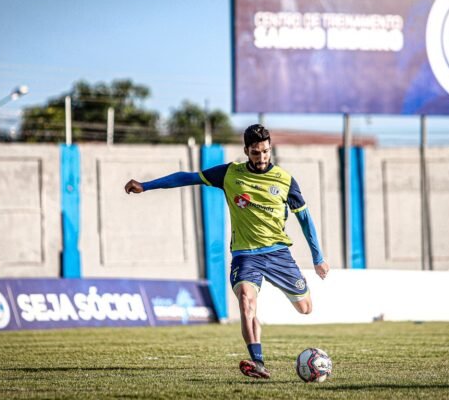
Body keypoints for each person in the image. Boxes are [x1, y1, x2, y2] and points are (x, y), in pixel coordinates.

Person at [124, 124, 329, 379]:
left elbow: (305, 219)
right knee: (246, 300)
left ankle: (257, 328)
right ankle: (258, 362)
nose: (262, 157)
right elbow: (187, 177)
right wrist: (146, 185)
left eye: (265, 151)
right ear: (246, 151)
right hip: (245, 255)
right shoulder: (229, 174)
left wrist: (317, 257)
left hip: (278, 253)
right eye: (255, 152)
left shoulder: (285, 180)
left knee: (305, 308)